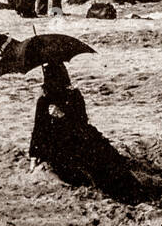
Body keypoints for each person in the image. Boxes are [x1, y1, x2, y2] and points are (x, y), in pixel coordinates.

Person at [31, 62, 144, 203]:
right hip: (59, 145)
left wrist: (63, 115)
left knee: (106, 157)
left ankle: (132, 192)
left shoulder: (73, 95)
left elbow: (82, 120)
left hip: (80, 137)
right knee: (84, 169)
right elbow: (39, 129)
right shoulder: (44, 101)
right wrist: (34, 156)